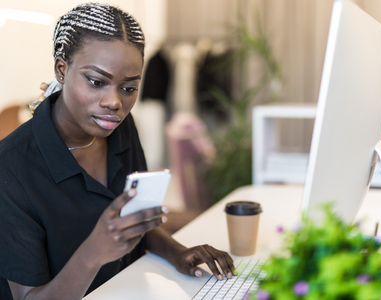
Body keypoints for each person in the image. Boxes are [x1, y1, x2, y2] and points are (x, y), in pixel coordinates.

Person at [0, 3, 234, 300]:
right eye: (97, 82)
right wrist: (94, 251)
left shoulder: (120, 127)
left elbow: (136, 221)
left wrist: (178, 252)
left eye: (128, 88)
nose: (114, 102)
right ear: (62, 69)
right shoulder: (10, 169)